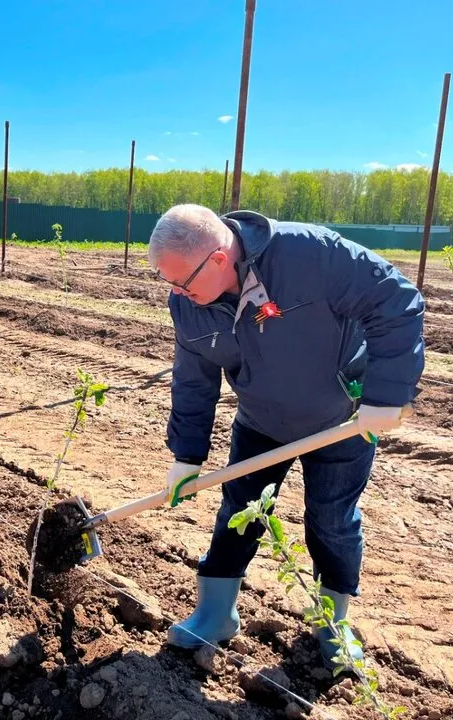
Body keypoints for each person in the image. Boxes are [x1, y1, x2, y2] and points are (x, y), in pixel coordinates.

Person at [149, 205, 424, 667]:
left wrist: (386, 395)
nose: (176, 293)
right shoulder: (188, 305)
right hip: (260, 420)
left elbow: (396, 300)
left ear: (218, 258)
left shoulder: (310, 256)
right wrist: (187, 455)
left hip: (341, 421)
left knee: (333, 521)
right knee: (240, 511)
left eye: (182, 281)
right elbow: (194, 379)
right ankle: (215, 613)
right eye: (168, 282)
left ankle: (333, 625)